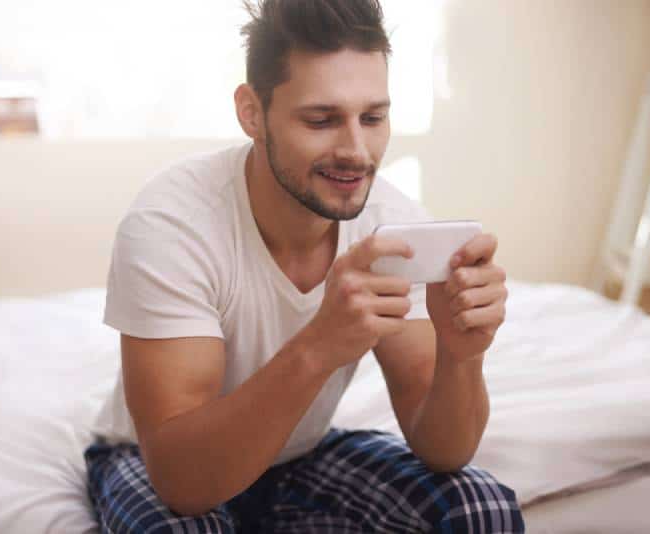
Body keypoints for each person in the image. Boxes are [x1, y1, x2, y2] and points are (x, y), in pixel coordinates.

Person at [84, 0, 525, 532]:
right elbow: (183, 484)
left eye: (374, 118)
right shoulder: (173, 223)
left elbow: (444, 451)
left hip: (299, 457)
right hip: (159, 461)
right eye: (321, 120)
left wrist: (462, 357)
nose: (357, 152)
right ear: (252, 112)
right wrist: (319, 345)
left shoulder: (392, 226)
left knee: (480, 509)